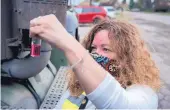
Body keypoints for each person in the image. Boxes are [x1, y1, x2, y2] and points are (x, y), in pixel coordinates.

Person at [30, 14, 160, 109]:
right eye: (93, 48)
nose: (96, 54)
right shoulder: (80, 87)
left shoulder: (144, 94)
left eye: (105, 49)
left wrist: (67, 42)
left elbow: (121, 105)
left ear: (126, 58)